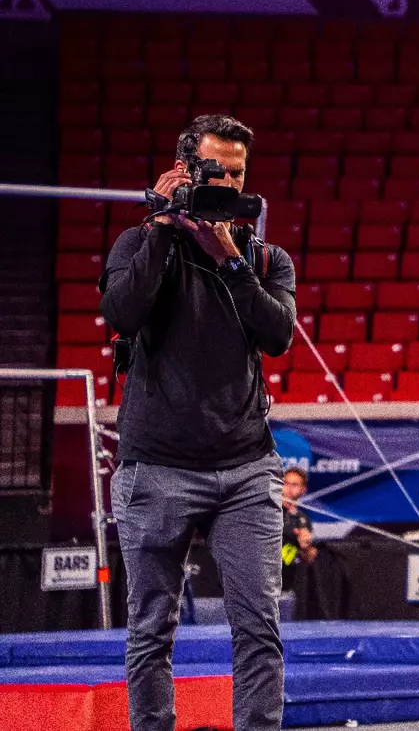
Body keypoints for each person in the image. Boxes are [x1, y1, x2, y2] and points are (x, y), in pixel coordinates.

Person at [102, 115, 297, 731]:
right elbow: (122, 315)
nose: (229, 184)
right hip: (156, 467)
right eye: (216, 172)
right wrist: (163, 223)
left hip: (246, 470)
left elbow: (279, 336)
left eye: (238, 174)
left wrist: (233, 261)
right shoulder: (139, 245)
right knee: (152, 629)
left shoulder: (266, 257)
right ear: (186, 171)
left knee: (258, 628)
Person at [280, 467, 317, 590]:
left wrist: (306, 548)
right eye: (285, 483)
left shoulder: (303, 520)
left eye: (295, 485)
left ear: (303, 490)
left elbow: (309, 557)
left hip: (285, 585)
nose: (289, 489)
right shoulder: (266, 511)